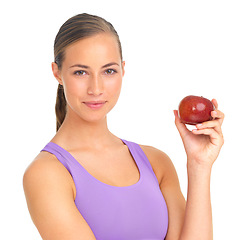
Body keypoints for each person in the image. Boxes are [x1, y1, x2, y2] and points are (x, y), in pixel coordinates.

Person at [23, 13, 224, 240]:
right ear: (57, 73)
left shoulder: (156, 162)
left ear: (123, 69)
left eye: (109, 71)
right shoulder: (47, 173)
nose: (96, 88)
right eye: (80, 72)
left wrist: (199, 165)